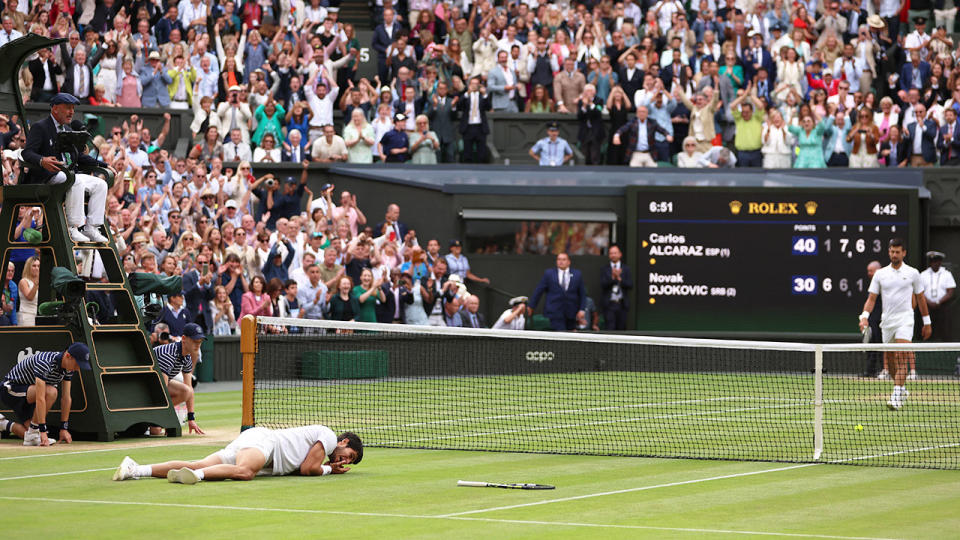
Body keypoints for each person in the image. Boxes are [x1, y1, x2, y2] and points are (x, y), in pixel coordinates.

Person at [113, 425, 363, 483]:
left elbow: (303, 467)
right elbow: (308, 468)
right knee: (244, 473)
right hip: (264, 442)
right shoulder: (329, 437)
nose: (343, 460)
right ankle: (195, 476)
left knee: (198, 461)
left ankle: (135, 469)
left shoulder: (327, 448)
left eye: (348, 461)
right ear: (343, 441)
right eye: (348, 454)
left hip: (255, 441)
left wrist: (327, 466)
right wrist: (331, 469)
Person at [21, 93, 112, 243]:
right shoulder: (40, 127)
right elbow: (27, 152)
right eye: (67, 108)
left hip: (67, 174)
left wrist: (104, 164)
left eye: (73, 109)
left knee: (100, 184)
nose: (71, 112)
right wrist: (42, 160)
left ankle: (92, 228)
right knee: (75, 180)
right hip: (47, 176)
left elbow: (79, 156)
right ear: (55, 109)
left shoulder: (68, 129)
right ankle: (73, 227)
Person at [858, 238, 932, 410]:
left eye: (897, 252)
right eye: (892, 251)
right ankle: (901, 388)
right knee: (890, 361)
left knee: (901, 355)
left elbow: (920, 298)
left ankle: (896, 394)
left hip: (905, 320)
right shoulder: (880, 274)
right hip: (887, 322)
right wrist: (864, 316)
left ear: (904, 253)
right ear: (889, 252)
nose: (894, 255)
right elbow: (871, 299)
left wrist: (927, 322)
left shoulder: (913, 273)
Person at [0, 342, 90, 446]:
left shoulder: (68, 369)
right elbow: (40, 397)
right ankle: (34, 431)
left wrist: (63, 428)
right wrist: (42, 430)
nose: (78, 368)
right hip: (10, 390)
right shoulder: (45, 362)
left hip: (29, 395)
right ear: (68, 356)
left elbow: (66, 398)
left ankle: (2, 424)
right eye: (77, 364)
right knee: (51, 392)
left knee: (30, 437)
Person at [152, 323, 206, 434]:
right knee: (156, 430)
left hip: (156, 385)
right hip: (145, 385)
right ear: (184, 339)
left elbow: (189, 389)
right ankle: (153, 418)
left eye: (200, 342)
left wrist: (191, 419)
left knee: (186, 391)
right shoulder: (167, 354)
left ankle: (155, 418)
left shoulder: (187, 357)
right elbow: (163, 389)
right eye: (195, 341)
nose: (198, 345)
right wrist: (168, 421)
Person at [530, 252, 587, 332]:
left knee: (570, 336)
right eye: (559, 259)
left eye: (564, 259)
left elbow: (582, 294)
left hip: (571, 312)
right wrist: (531, 306)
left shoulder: (577, 274)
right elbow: (539, 290)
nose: (561, 261)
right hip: (555, 311)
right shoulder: (549, 274)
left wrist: (582, 309)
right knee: (560, 334)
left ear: (568, 262)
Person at [920, 251, 955, 343]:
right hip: (928, 307)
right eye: (932, 261)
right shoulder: (923, 274)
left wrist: (938, 302)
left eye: (936, 261)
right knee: (928, 330)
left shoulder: (947, 274)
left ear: (940, 262)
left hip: (943, 307)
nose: (934, 263)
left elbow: (950, 291)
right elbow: (920, 292)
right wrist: (928, 302)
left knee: (945, 330)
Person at [600, 244, 632, 330]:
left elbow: (630, 285)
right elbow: (603, 284)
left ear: (620, 254)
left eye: (615, 253)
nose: (613, 255)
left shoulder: (626, 269)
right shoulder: (604, 269)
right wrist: (613, 278)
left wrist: (620, 279)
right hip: (609, 304)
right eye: (611, 253)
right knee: (610, 329)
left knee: (621, 329)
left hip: (622, 304)